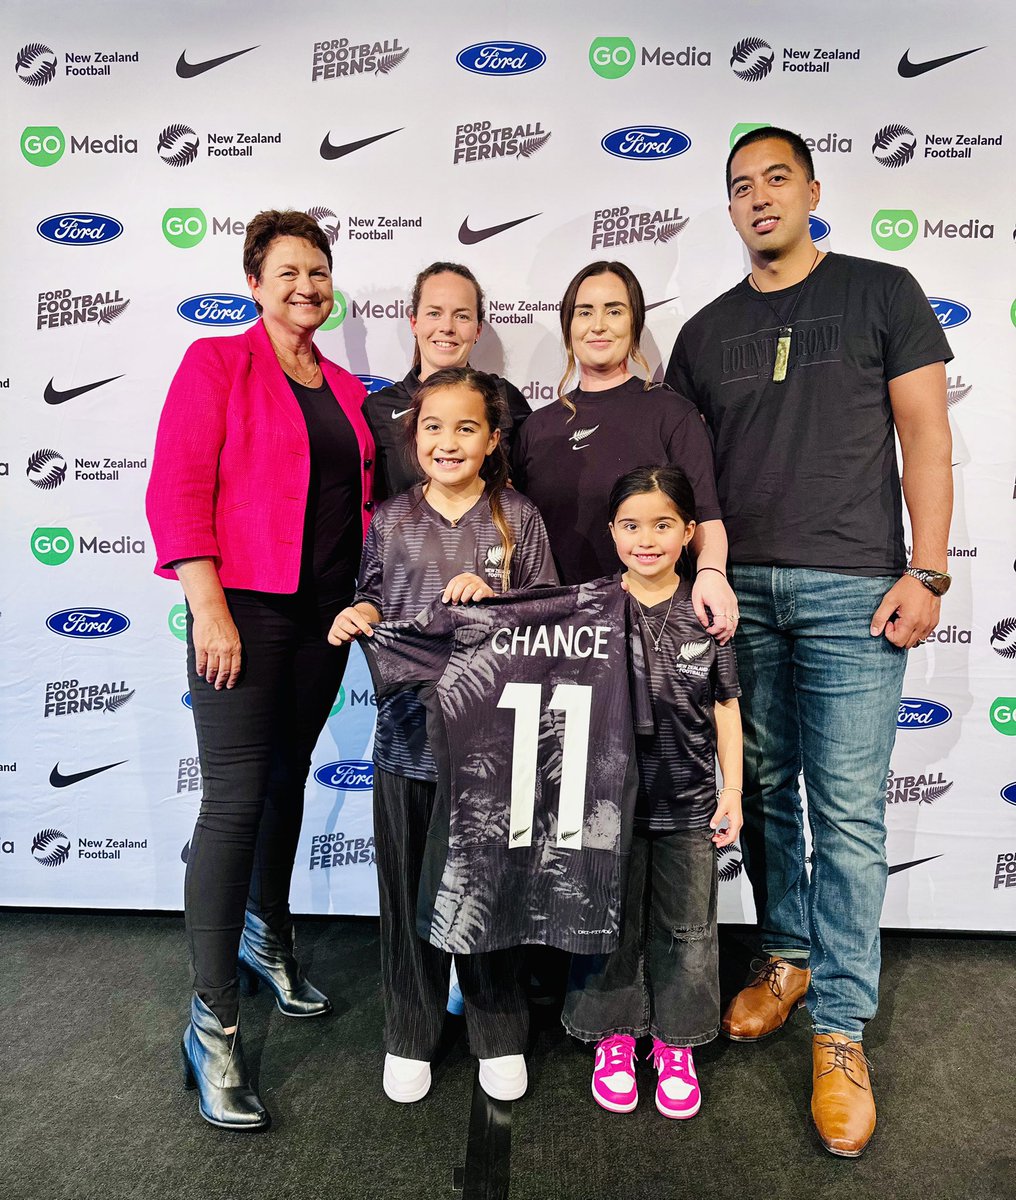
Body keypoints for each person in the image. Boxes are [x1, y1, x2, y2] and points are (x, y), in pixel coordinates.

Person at [665, 126, 953, 1157]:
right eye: (739, 186)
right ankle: (783, 957)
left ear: (812, 190)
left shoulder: (881, 292)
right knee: (770, 788)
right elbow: (688, 482)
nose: (757, 197)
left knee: (844, 809)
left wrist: (926, 569)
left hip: (852, 594)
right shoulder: (700, 334)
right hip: (739, 596)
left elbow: (925, 434)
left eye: (774, 178)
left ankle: (839, 1028)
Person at [146, 209, 376, 1131]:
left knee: (285, 782)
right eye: (286, 272)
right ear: (254, 282)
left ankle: (266, 934)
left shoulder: (351, 390)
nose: (305, 287)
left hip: (324, 623)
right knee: (234, 803)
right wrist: (210, 607)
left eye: (318, 273)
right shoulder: (217, 364)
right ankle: (212, 1025)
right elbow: (177, 484)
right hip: (239, 612)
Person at [328, 366, 558, 1104]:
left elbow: (550, 619)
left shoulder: (519, 517)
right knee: (405, 893)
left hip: (491, 749)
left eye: (466, 428)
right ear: (413, 436)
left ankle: (498, 1028)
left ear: (492, 440)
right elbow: (369, 594)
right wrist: (357, 615)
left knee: (487, 892)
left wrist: (496, 600)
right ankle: (410, 1032)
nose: (447, 441)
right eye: (433, 427)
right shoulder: (390, 520)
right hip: (403, 744)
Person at [563, 466, 742, 1120]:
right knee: (603, 920)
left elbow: (727, 705)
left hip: (689, 798)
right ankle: (614, 1035)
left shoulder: (707, 611)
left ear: (690, 533)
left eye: (664, 524)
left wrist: (735, 792)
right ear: (612, 532)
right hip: (605, 803)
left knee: (687, 927)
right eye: (632, 525)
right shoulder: (585, 608)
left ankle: (675, 1042)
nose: (647, 539)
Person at [512, 261, 738, 643]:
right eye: (585, 312)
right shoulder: (537, 427)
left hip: (651, 625)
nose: (598, 324)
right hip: (557, 630)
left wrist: (712, 574)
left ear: (633, 324)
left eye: (614, 310)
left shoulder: (672, 414)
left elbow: (705, 517)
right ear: (569, 325)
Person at [364, 261, 530, 499]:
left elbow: (531, 488)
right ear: (414, 323)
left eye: (461, 316)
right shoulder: (378, 408)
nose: (447, 327)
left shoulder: (503, 397)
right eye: (434, 313)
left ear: (478, 330)